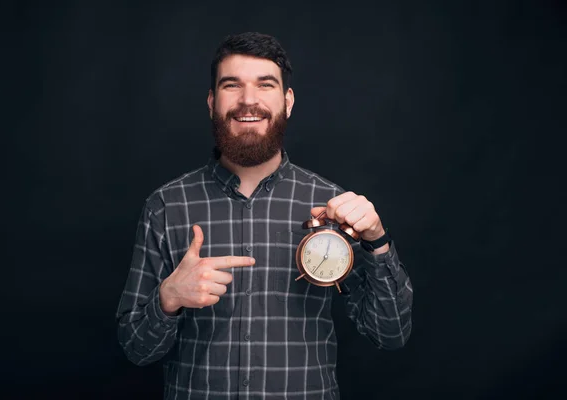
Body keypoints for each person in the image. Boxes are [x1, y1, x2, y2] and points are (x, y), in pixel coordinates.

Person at [116, 31, 413, 400]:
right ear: (211, 101)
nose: (248, 100)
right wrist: (168, 299)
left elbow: (391, 333)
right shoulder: (166, 206)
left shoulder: (333, 205)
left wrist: (378, 243)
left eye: (265, 84)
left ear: (287, 101)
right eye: (231, 85)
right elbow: (135, 349)